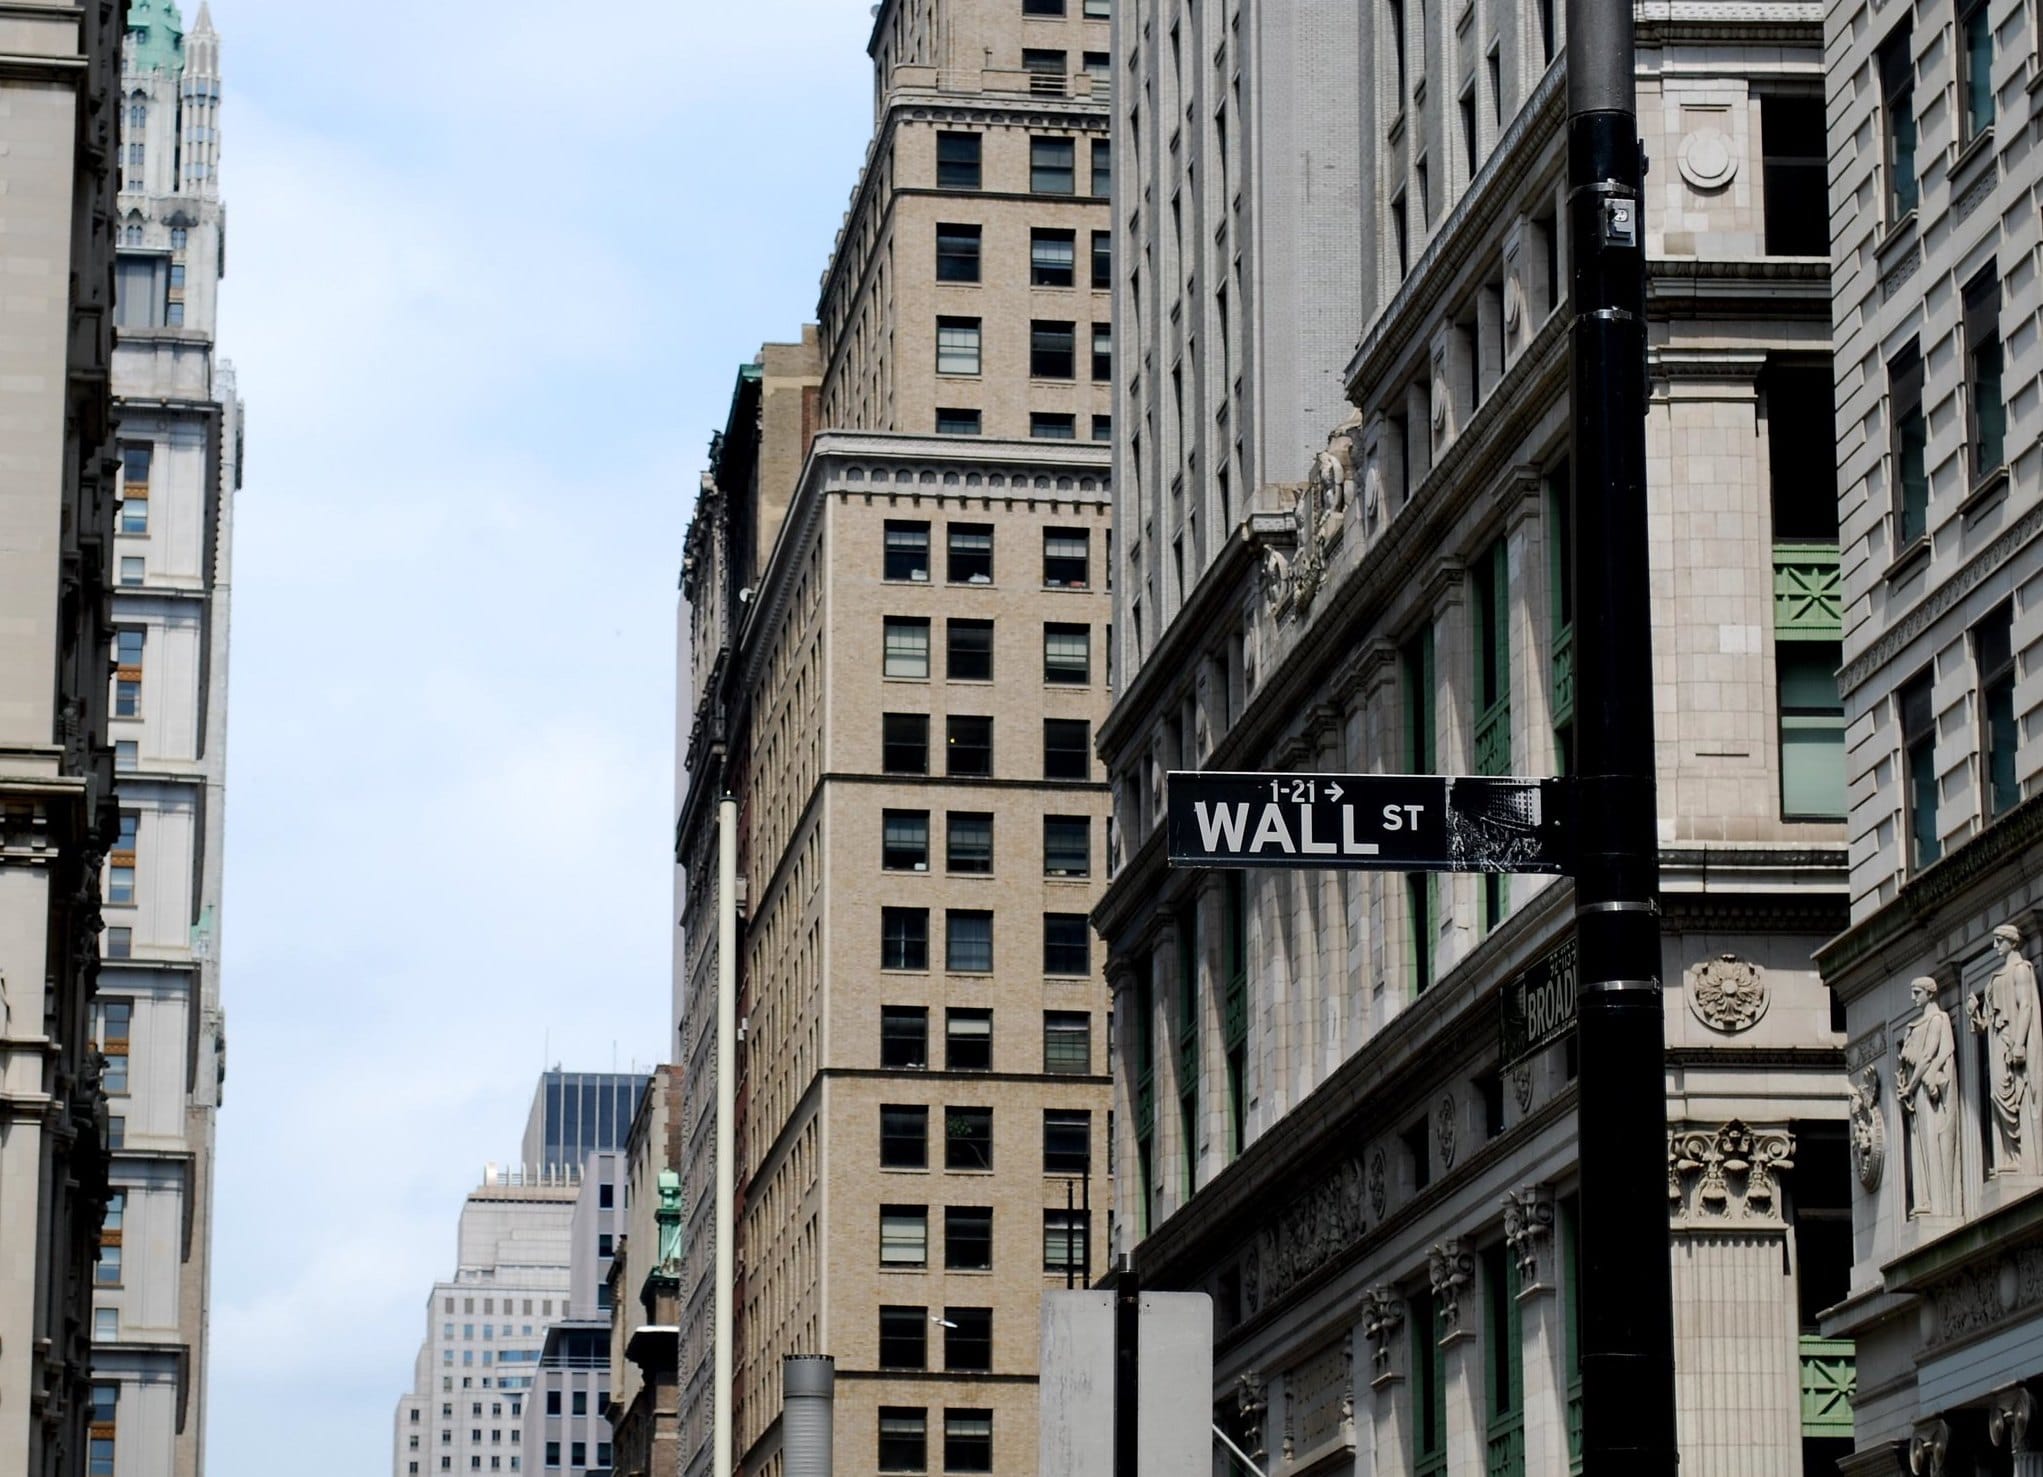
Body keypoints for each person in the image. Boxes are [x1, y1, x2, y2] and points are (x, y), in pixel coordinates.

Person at [1970, 923, 2043, 1174]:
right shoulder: (1997, 977)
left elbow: (2026, 1007)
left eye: (1999, 940)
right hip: (1998, 1040)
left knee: (2016, 1092)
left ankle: (2022, 1157)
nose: (1994, 946)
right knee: (1996, 1094)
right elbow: (1989, 1022)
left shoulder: (2021, 970)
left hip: (2013, 1041)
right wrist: (1976, 1017)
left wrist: (2021, 1043)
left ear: (2012, 942)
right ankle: (2011, 1155)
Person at [1898, 975, 1960, 1215]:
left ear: (1930, 993)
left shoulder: (1937, 1019)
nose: (1913, 998)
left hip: (1926, 1090)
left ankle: (1937, 1201)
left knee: (1930, 1138)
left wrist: (1911, 1086)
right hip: (1918, 1092)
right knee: (1920, 1139)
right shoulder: (1916, 1025)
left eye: (1917, 992)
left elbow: (1927, 1056)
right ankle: (1925, 1199)